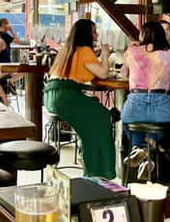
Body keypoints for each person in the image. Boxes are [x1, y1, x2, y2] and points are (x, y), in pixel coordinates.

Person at [43, 19, 116, 179]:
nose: (96, 34)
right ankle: (98, 171)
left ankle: (87, 156)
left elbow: (83, 64)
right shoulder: (84, 51)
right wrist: (104, 53)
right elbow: (103, 73)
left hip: (52, 94)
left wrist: (96, 52)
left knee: (94, 120)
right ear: (86, 34)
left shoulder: (69, 49)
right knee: (103, 116)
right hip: (65, 96)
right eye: (94, 31)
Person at [120, 21, 170, 180]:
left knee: (126, 122)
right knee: (166, 123)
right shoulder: (169, 53)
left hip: (135, 106)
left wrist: (129, 51)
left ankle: (138, 148)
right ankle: (147, 152)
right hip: (161, 108)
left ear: (143, 35)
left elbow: (124, 74)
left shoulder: (133, 51)